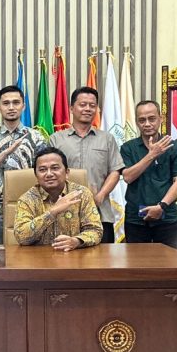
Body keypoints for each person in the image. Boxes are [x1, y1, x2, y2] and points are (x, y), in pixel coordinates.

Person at [49, 87, 125, 243]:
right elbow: (49, 174)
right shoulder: (56, 139)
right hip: (64, 213)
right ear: (71, 108)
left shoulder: (107, 139)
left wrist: (100, 196)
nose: (88, 109)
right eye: (83, 104)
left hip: (100, 212)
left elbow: (115, 171)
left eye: (92, 105)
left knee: (103, 257)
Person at [0, 85, 48, 244]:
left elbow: (44, 170)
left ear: (23, 106)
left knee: (30, 257)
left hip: (30, 208)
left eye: (16, 102)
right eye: (6, 103)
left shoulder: (36, 137)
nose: (11, 107)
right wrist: (5, 153)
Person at [121, 101, 177, 248]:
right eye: (142, 120)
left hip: (166, 217)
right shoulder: (128, 148)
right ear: (137, 122)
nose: (147, 124)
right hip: (136, 219)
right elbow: (128, 177)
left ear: (160, 118)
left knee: (168, 260)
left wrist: (161, 206)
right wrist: (152, 155)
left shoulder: (174, 147)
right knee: (136, 260)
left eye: (151, 119)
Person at [13, 147, 102, 251]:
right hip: (38, 257)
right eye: (42, 170)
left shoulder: (82, 194)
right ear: (36, 176)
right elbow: (21, 237)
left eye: (55, 168)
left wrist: (76, 241)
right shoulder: (27, 199)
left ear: (67, 172)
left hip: (74, 256)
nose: (49, 174)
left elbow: (96, 230)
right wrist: (52, 213)